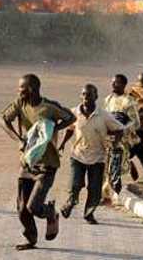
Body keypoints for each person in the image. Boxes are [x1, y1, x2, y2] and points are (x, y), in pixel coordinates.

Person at [0, 73, 76, 251]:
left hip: (47, 164)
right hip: (27, 162)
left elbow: (71, 118)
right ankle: (31, 239)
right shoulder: (20, 103)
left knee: (33, 207)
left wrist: (52, 130)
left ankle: (50, 212)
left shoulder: (49, 107)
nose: (19, 91)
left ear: (32, 89)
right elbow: (2, 119)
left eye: (22, 89)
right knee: (21, 208)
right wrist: (18, 139)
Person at [57, 84, 124, 224]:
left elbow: (119, 129)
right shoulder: (74, 113)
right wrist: (62, 143)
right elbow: (69, 129)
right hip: (78, 155)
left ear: (96, 97)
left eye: (89, 95)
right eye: (84, 94)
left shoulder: (104, 115)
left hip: (98, 157)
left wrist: (115, 143)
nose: (86, 97)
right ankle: (70, 203)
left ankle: (89, 213)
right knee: (75, 184)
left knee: (94, 188)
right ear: (81, 96)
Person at [102, 73, 141, 196]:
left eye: (117, 82)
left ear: (124, 85)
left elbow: (135, 122)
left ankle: (116, 195)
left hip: (121, 141)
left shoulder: (128, 101)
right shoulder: (108, 100)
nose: (113, 84)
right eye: (112, 82)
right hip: (107, 139)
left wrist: (122, 130)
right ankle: (104, 195)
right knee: (103, 168)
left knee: (115, 170)